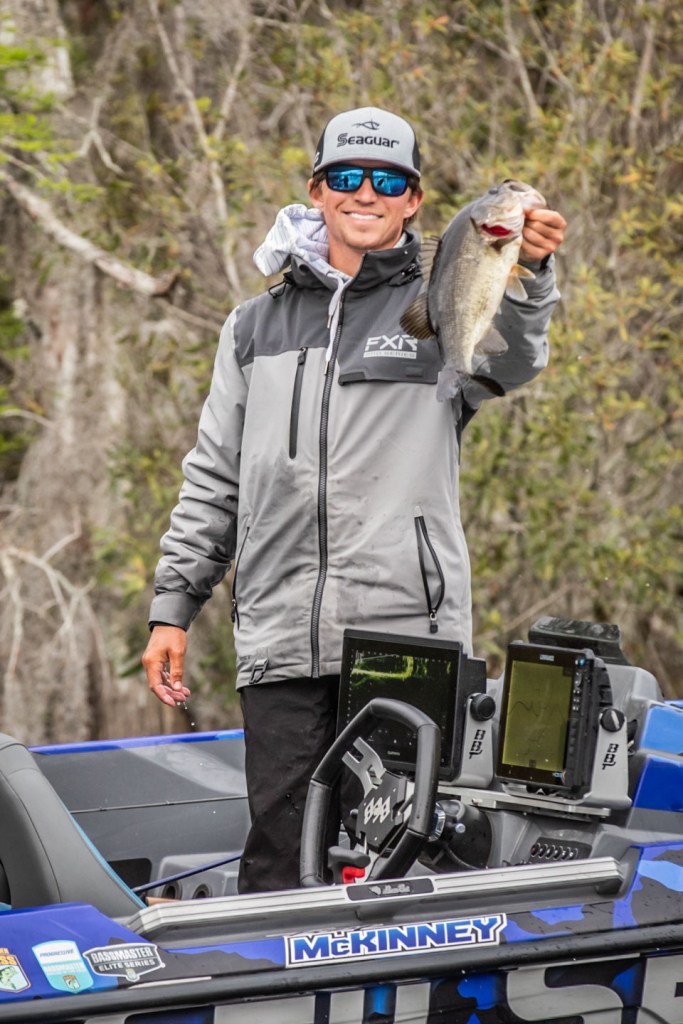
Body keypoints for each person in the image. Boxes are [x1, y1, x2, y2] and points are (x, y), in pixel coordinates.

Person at [142, 106, 566, 893]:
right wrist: (173, 607)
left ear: (413, 200)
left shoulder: (443, 297)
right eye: (345, 176)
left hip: (407, 633)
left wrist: (531, 273)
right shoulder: (252, 326)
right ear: (317, 190)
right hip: (278, 636)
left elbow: (513, 360)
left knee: (403, 854)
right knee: (279, 851)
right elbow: (214, 475)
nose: (364, 192)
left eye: (386, 180)